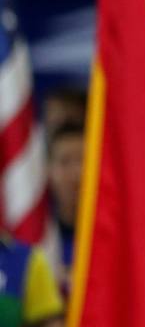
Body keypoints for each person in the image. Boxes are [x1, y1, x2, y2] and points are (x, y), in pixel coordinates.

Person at [45, 122, 83, 297]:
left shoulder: (115, 233)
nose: (76, 174)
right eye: (65, 161)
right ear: (48, 171)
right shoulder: (37, 234)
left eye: (83, 160)